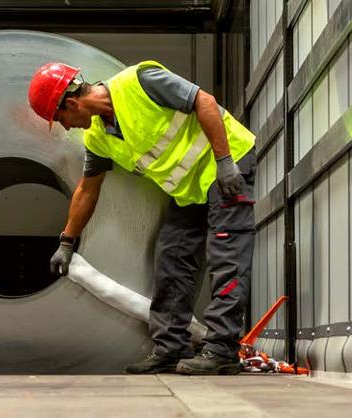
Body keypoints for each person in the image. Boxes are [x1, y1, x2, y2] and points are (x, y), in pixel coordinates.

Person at [26, 61, 256, 375]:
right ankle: (170, 348)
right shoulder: (97, 137)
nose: (66, 127)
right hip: (190, 190)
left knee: (226, 256)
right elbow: (87, 190)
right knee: (171, 257)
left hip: (225, 166)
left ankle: (222, 349)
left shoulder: (140, 81)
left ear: (71, 103)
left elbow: (204, 102)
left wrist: (226, 161)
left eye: (60, 118)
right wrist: (67, 240)